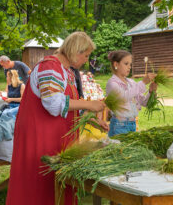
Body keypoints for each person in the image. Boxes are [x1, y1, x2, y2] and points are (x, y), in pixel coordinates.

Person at [6, 31, 106, 205]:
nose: (86, 60)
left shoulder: (65, 71)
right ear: (76, 51)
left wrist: (89, 119)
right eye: (86, 55)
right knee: (39, 184)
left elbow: (67, 105)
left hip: (54, 138)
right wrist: (89, 105)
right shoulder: (50, 67)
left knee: (55, 184)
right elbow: (52, 104)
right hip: (40, 138)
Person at [106, 50, 157, 137]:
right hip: (119, 126)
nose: (129, 67)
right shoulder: (112, 83)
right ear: (116, 65)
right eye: (126, 64)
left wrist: (151, 92)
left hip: (132, 124)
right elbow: (124, 97)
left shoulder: (131, 83)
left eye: (130, 64)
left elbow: (144, 103)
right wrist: (143, 83)